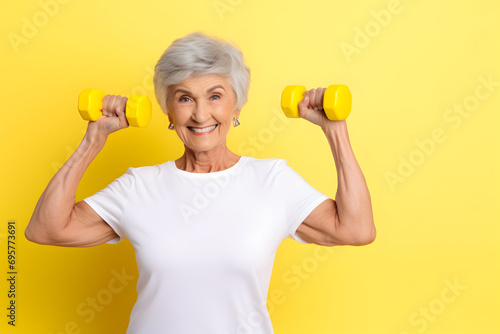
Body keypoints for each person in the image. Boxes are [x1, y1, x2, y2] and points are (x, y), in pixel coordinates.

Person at [25, 32, 375, 334]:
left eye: (215, 96)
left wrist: (335, 131)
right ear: (168, 111)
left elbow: (356, 229)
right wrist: (92, 143)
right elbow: (46, 229)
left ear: (237, 108)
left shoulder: (272, 180)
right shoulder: (138, 186)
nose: (200, 114)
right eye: (184, 97)